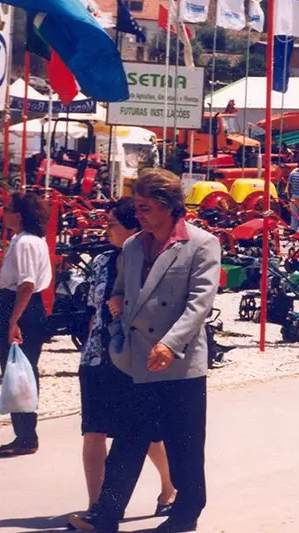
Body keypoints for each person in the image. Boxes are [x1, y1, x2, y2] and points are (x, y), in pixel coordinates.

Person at [74, 170, 222, 533]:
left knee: (183, 444)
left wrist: (171, 344)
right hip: (137, 359)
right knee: (128, 439)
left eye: (145, 207)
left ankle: (186, 514)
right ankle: (106, 515)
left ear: (169, 206)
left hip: (179, 362)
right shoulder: (133, 246)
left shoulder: (202, 244)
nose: (138, 214)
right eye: (137, 207)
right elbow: (122, 288)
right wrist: (117, 306)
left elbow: (199, 304)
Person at [77, 198, 176, 516]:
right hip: (96, 357)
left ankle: (169, 483)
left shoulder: (151, 262)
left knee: (141, 432)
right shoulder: (102, 261)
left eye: (112, 224)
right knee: (93, 430)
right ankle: (97, 507)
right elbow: (94, 306)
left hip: (133, 358)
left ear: (133, 228)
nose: (106, 230)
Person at [0, 192, 52, 458]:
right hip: (21, 305)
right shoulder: (27, 240)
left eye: (7, 209)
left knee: (20, 371)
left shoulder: (26, 243)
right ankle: (24, 433)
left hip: (20, 306)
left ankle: (26, 435)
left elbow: (27, 283)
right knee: (19, 369)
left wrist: (13, 319)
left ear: (18, 215)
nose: (3, 212)